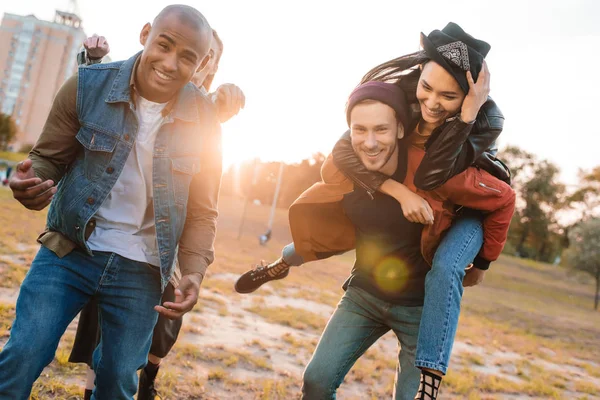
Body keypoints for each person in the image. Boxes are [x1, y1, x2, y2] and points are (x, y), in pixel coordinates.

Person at [236, 23, 515, 399]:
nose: (432, 103)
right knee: (316, 378)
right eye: (426, 89)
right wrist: (396, 191)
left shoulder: (456, 170)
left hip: (418, 307)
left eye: (448, 97)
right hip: (366, 292)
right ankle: (278, 265)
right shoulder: (371, 150)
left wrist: (480, 264)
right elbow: (341, 155)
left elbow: (481, 194)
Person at [3, 5, 223, 399]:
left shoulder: (205, 119)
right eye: (164, 45)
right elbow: (48, 158)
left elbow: (203, 210)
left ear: (203, 62)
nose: (170, 64)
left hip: (143, 265)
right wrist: (30, 179)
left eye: (187, 57)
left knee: (119, 378)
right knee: (24, 352)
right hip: (71, 248)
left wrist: (193, 271)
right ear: (145, 35)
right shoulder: (87, 85)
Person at [70, 30, 244, 400]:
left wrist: (226, 104)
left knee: (162, 325)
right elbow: (98, 107)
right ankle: (92, 390)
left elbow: (210, 141)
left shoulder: (204, 109)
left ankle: (149, 375)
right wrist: (93, 62)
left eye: (206, 56)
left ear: (207, 64)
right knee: (102, 322)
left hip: (166, 246)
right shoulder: (140, 87)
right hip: (113, 237)